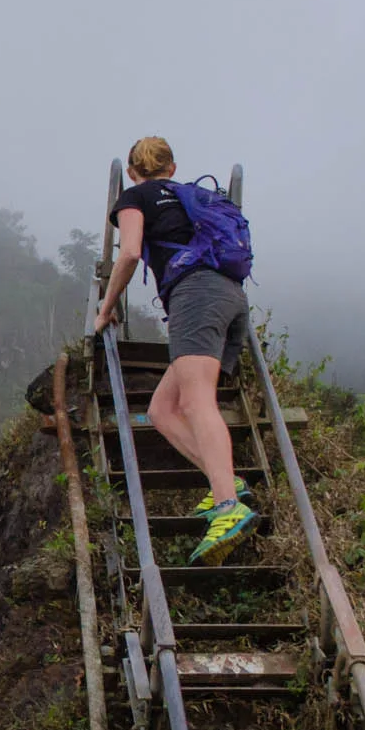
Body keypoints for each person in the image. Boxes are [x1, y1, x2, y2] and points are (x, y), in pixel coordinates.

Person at [93, 136, 259, 562]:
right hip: (230, 296)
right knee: (163, 409)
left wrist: (106, 307)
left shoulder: (135, 197)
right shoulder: (191, 196)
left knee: (197, 399)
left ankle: (227, 505)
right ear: (171, 167)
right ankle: (228, 482)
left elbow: (129, 252)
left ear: (131, 172)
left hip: (195, 296)